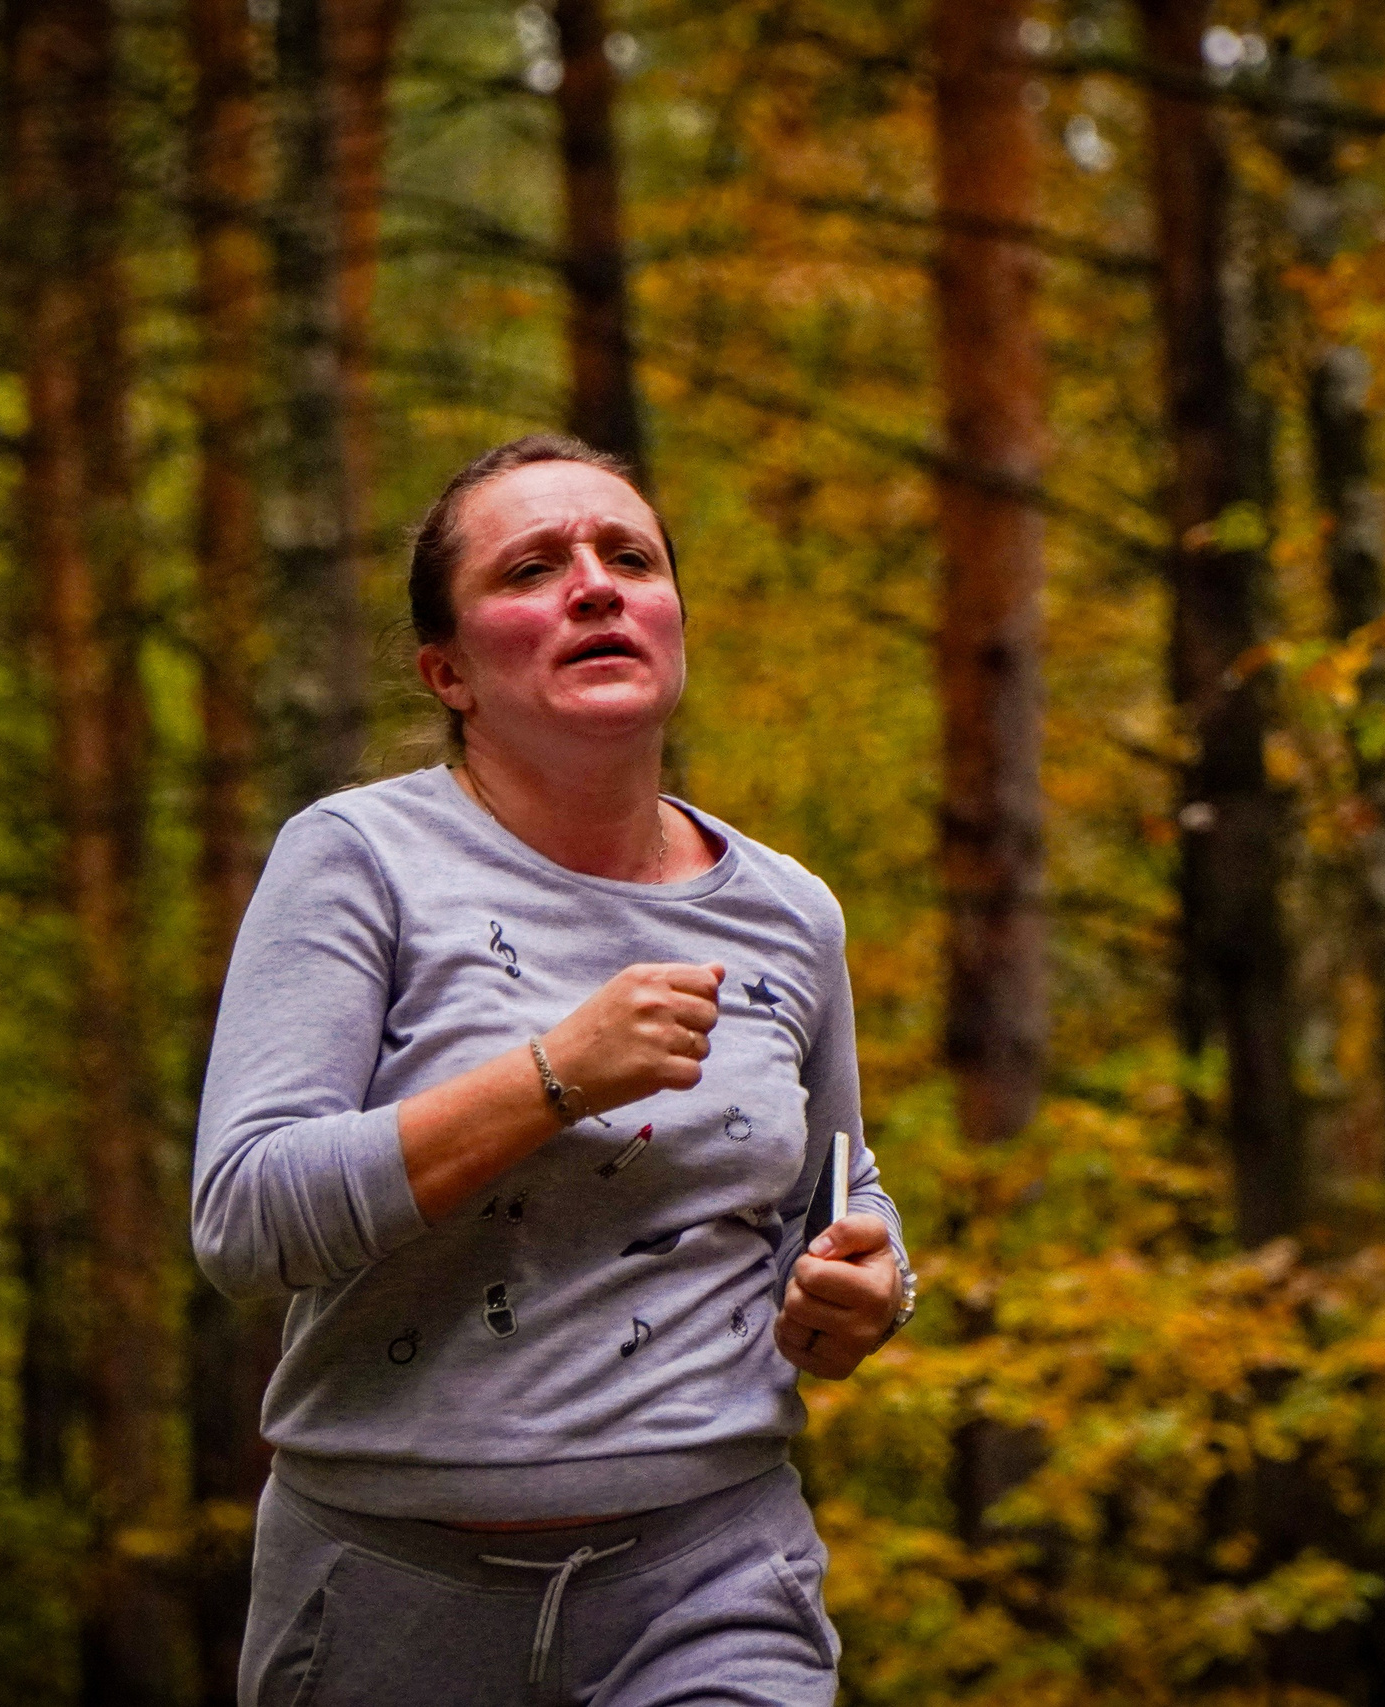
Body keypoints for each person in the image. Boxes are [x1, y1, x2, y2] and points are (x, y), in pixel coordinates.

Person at [191, 434, 918, 1705]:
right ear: (449, 672)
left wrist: (871, 1285)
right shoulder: (358, 860)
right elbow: (245, 1216)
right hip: (386, 1594)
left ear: (672, 618)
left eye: (627, 557)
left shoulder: (788, 912)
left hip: (710, 1576)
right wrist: (552, 1078)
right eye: (533, 568)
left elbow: (834, 1189)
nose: (594, 585)